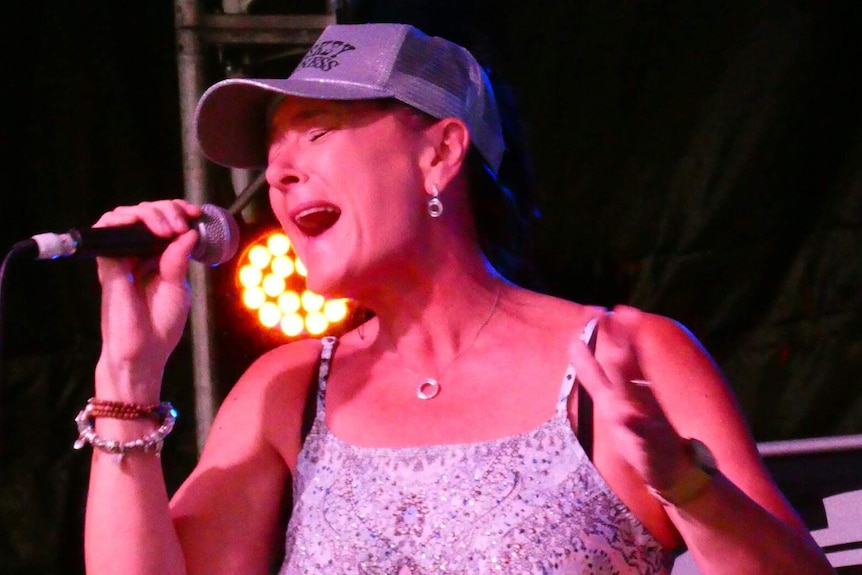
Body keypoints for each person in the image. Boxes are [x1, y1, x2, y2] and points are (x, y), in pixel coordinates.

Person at [79, 22, 835, 575]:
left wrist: (690, 487)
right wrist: (127, 377)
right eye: (271, 155)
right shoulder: (284, 390)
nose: (277, 175)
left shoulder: (622, 356)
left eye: (315, 131)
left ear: (440, 152)